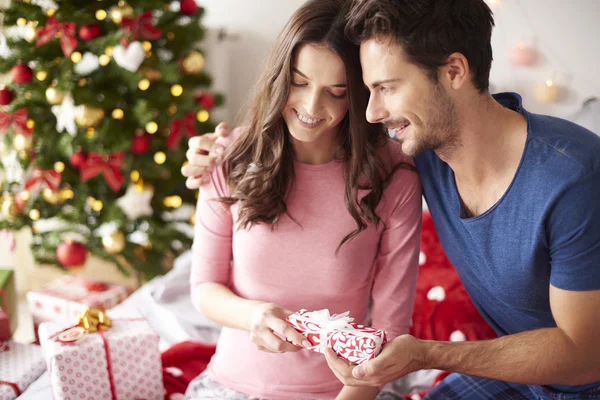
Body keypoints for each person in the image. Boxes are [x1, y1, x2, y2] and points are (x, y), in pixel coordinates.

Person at [184, 0, 600, 398]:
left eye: (385, 88)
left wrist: (424, 353)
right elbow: (206, 283)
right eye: (368, 91)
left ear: (454, 70)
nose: (372, 113)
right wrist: (218, 150)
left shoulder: (570, 178)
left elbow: (585, 357)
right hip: (522, 379)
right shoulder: (424, 149)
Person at [184, 0, 422, 399]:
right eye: (299, 82)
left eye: (336, 92)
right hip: (232, 387)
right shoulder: (229, 157)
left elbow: (390, 329)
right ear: (280, 76)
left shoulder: (393, 177)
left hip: (349, 391)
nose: (312, 108)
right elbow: (204, 287)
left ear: (358, 96)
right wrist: (254, 315)